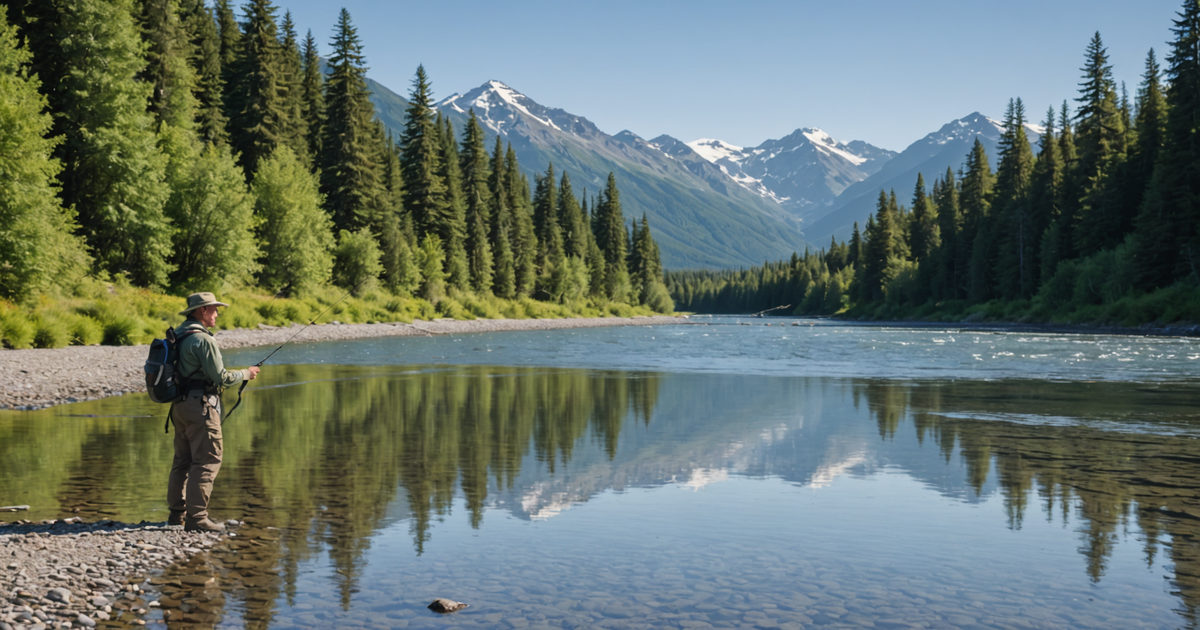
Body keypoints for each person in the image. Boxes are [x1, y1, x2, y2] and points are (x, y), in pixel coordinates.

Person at [168, 292, 260, 532]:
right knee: (207, 460)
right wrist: (245, 374)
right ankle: (197, 519)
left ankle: (177, 515)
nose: (217, 314)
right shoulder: (203, 340)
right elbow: (221, 377)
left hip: (179, 406)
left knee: (182, 461)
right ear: (202, 311)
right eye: (214, 309)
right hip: (200, 407)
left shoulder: (178, 333)